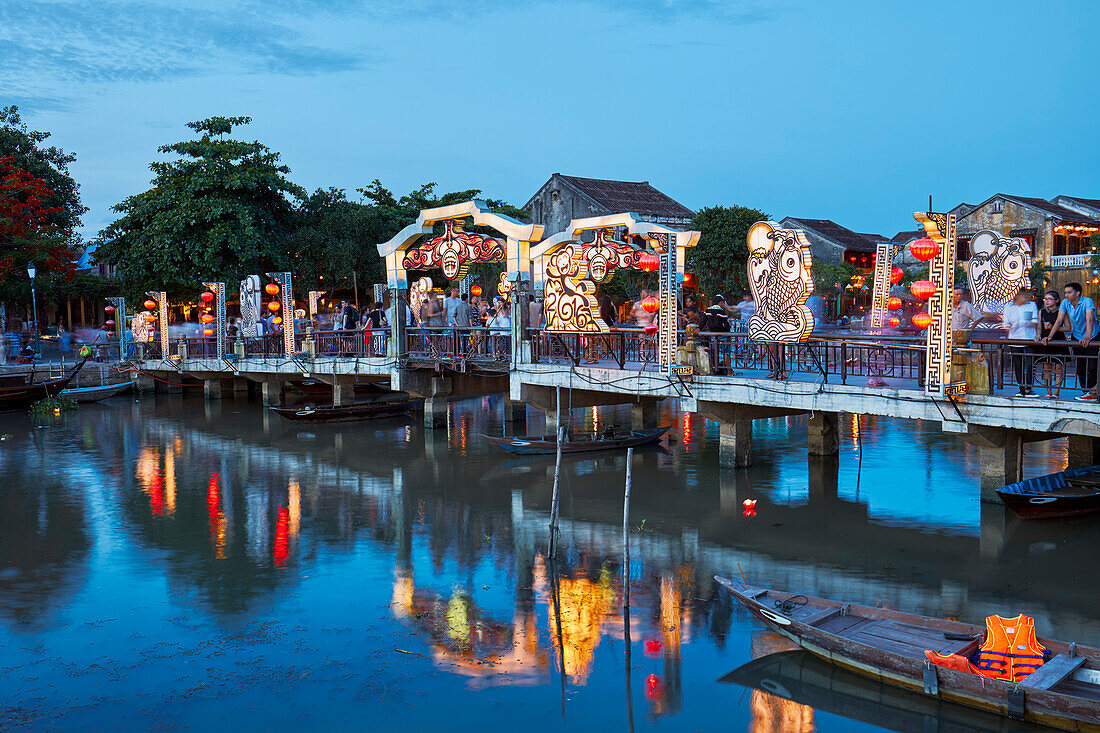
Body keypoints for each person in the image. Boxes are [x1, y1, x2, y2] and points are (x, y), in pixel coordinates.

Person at [1042, 282, 1100, 401]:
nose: (1066, 295)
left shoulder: (1087, 301)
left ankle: (1094, 392)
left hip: (1092, 335)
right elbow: (1059, 321)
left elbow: (1089, 320)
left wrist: (1088, 338)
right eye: (1065, 293)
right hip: (1077, 336)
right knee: (1080, 366)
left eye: (1069, 292)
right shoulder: (1065, 303)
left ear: (1077, 293)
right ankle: (1086, 392)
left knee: (1093, 365)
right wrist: (1050, 336)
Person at [1001, 288, 1039, 398]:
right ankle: (1021, 388)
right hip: (1015, 338)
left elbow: (1035, 321)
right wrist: (1011, 327)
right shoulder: (1009, 307)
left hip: (1029, 338)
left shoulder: (1031, 305)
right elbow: (1006, 323)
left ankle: (1029, 388)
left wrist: (1028, 324)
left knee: (1030, 364)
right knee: (1018, 365)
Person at [1035, 290, 1069, 398]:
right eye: (1045, 299)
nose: (1047, 301)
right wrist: (1038, 335)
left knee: (1058, 367)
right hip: (1045, 340)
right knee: (1046, 367)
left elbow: (1068, 327)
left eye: (1050, 299)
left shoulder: (1061, 311)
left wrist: (1054, 328)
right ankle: (1048, 392)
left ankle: (1056, 393)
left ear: (1057, 300)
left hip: (1058, 340)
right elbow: (1039, 327)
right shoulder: (1042, 312)